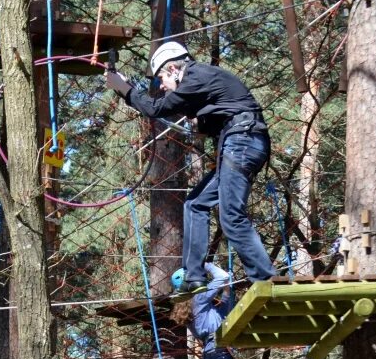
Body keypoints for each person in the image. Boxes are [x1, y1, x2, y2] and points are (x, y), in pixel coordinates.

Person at [106, 41, 276, 290]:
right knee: (195, 204)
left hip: (242, 141)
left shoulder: (197, 75)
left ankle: (264, 278)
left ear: (174, 68)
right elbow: (222, 110)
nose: (162, 86)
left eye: (161, 78)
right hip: (242, 141)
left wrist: (124, 88)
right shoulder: (203, 80)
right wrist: (202, 124)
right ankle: (193, 276)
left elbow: (156, 108)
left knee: (231, 217)